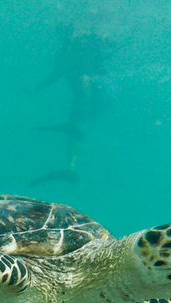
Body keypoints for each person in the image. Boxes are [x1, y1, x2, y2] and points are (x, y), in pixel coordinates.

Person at [29, 24, 115, 186]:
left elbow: (110, 43)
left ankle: (75, 126)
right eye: (61, 33)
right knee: (76, 125)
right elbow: (55, 75)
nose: (64, 36)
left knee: (84, 81)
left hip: (103, 90)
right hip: (86, 101)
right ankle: (71, 168)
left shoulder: (87, 41)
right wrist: (35, 88)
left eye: (67, 32)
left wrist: (101, 36)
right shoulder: (61, 55)